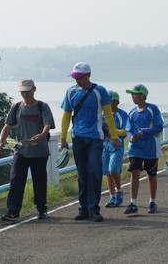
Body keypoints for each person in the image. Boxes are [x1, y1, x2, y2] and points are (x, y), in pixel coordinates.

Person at [61, 62, 120, 222]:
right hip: (78, 137)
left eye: (79, 77)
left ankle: (94, 208)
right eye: (75, 77)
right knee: (82, 174)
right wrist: (63, 138)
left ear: (88, 75)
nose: (77, 80)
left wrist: (114, 136)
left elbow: (108, 115)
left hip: (95, 137)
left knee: (94, 170)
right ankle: (83, 208)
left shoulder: (99, 91)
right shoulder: (70, 92)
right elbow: (66, 115)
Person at [0, 79, 55, 222]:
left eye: (27, 90)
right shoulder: (16, 107)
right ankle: (13, 211)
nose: (25, 93)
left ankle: (41, 208)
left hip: (39, 151)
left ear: (34, 89)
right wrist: (0, 141)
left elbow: (47, 124)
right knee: (16, 179)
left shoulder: (42, 106)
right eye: (22, 91)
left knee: (39, 181)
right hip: (21, 150)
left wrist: (42, 135)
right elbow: (7, 126)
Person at [123, 84, 164, 215]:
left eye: (135, 94)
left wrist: (143, 134)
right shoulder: (132, 112)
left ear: (143, 95)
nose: (132, 96)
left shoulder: (153, 109)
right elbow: (128, 129)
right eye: (131, 94)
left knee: (151, 175)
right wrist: (130, 138)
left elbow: (159, 127)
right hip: (135, 148)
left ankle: (152, 202)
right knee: (134, 173)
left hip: (151, 148)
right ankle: (133, 203)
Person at [102, 90, 129, 208]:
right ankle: (112, 196)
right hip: (104, 146)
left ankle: (119, 191)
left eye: (110, 101)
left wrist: (111, 131)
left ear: (116, 102)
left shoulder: (122, 115)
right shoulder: (102, 115)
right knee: (108, 172)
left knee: (113, 169)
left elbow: (125, 131)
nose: (107, 103)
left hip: (117, 146)